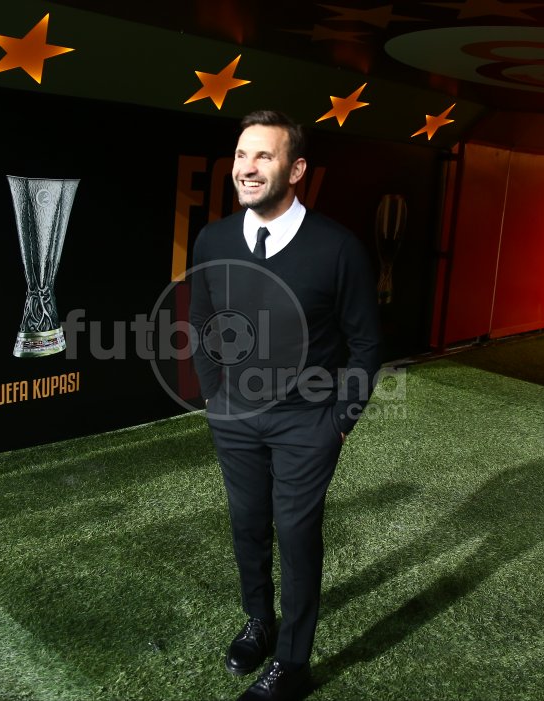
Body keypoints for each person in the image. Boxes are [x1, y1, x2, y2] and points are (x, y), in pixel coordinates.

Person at [190, 111, 381, 700]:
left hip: (308, 422)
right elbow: (200, 322)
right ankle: (259, 622)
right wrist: (214, 395)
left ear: (296, 170)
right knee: (248, 524)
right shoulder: (214, 239)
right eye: (241, 155)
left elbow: (367, 344)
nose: (246, 169)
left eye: (263, 157)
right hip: (235, 418)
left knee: (296, 534)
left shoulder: (339, 248)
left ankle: (293, 663)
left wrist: (339, 422)